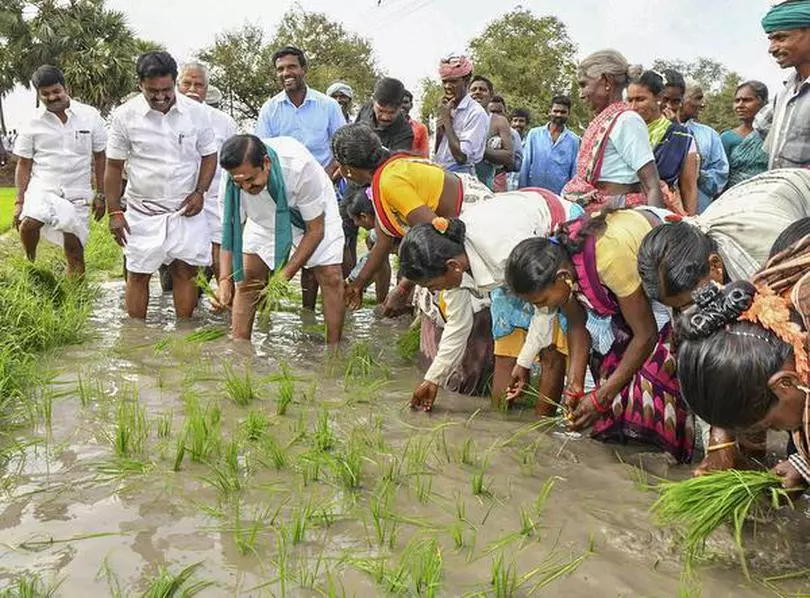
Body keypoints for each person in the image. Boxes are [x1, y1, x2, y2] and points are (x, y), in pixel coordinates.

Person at [505, 208, 694, 462]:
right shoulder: (564, 268)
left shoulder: (609, 257)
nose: (543, 308)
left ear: (561, 278)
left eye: (542, 300)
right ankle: (623, 460)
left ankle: (663, 462)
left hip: (673, 276)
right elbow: (576, 325)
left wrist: (600, 398)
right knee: (609, 377)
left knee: (650, 382)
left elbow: (646, 334)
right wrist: (574, 386)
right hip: (636, 301)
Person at [398, 190, 583, 412]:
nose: (433, 291)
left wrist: (525, 362)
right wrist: (432, 380)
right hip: (509, 248)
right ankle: (501, 421)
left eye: (431, 285)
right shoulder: (455, 265)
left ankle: (543, 432)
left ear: (453, 266)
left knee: (550, 349)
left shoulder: (505, 252)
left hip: (550, 240)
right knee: (505, 342)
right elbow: (458, 327)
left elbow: (544, 309)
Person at [675, 236, 810, 490]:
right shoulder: (747, 304)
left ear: (786, 384)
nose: (777, 431)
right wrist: (802, 464)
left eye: (770, 425)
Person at [332, 123, 492, 312]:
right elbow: (382, 244)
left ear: (347, 169)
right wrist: (357, 284)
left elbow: (432, 238)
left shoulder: (389, 181)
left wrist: (403, 288)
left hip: (468, 224)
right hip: (452, 225)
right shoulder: (385, 174)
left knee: (447, 302)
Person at [104, 51, 217, 320]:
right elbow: (113, 167)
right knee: (138, 273)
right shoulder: (124, 116)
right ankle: (136, 340)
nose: (160, 97)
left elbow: (209, 155)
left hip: (185, 209)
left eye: (166, 89)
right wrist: (113, 212)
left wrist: (200, 192)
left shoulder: (197, 114)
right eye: (152, 91)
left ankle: (183, 334)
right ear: (140, 84)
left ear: (174, 82)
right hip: (142, 211)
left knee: (185, 271)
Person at [215, 134, 345, 344]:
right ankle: (240, 350)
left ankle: (334, 349)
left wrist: (284, 275)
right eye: (240, 182)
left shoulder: (299, 167)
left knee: (330, 276)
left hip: (312, 216)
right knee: (248, 278)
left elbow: (315, 230)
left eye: (250, 180)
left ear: (266, 163)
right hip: (263, 219)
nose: (246, 187)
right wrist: (224, 280)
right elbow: (230, 231)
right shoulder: (231, 181)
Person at [637, 169, 810, 312]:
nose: (687, 313)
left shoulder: (771, 258)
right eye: (678, 309)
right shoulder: (701, 252)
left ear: (715, 265)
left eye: (691, 304)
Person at [255, 46, 346, 313]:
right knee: (288, 252)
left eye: (292, 67)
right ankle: (292, 313)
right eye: (281, 69)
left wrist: (325, 178)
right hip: (285, 194)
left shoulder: (328, 106)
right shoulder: (270, 109)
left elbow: (342, 146)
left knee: (326, 258)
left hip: (326, 190)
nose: (286, 73)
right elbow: (264, 154)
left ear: (304, 69)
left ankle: (319, 312)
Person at [13, 65, 107, 277]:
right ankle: (31, 263)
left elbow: (101, 157)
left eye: (56, 91)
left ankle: (77, 300)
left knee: (75, 251)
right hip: (43, 188)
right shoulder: (32, 122)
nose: (52, 97)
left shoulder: (89, 116)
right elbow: (24, 163)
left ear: (66, 88)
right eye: (45, 94)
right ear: (39, 94)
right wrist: (19, 201)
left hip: (78, 192)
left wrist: (101, 193)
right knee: (28, 223)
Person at [562, 50, 665, 214]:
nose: (581, 95)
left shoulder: (627, 120)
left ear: (606, 81)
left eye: (583, 85)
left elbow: (651, 184)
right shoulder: (605, 119)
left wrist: (654, 229)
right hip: (595, 208)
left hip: (617, 212)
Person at [177, 61, 238, 282]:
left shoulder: (224, 122)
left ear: (206, 88)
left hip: (214, 198)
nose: (192, 90)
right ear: (177, 85)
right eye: (187, 83)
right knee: (182, 262)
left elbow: (234, 163)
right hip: (179, 198)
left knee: (220, 253)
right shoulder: (165, 117)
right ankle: (187, 313)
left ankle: (226, 302)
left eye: (199, 85)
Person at [627, 70, 699, 215]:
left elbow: (689, 187)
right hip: (623, 211)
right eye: (630, 100)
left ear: (658, 98)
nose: (633, 107)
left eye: (640, 99)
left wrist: (693, 223)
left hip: (664, 214)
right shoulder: (622, 130)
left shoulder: (682, 137)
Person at [759, 1, 810, 170]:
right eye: (771, 39)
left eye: (781, 38)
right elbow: (761, 126)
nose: (772, 49)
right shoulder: (785, 91)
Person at [434, 54, 489, 176]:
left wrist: (447, 121)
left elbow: (461, 157)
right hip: (441, 173)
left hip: (462, 178)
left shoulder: (476, 113)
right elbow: (438, 153)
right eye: (445, 81)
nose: (447, 86)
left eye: (453, 81)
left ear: (466, 81)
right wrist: (440, 132)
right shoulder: (447, 108)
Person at [679, 85, 729, 213]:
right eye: (697, 98)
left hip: (700, 210)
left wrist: (698, 174)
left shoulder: (709, 134)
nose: (702, 104)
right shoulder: (656, 130)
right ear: (681, 99)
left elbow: (721, 174)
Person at [519, 95, 580, 195]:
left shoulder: (573, 140)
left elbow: (574, 171)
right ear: (550, 112)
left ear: (569, 114)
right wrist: (522, 191)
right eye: (556, 111)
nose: (559, 115)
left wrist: (570, 195)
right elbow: (526, 164)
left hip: (558, 195)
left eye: (563, 112)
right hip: (533, 192)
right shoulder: (534, 134)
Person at [720, 81, 770, 188]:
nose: (740, 105)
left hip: (768, 196)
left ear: (764, 103)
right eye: (737, 101)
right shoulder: (727, 138)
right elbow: (721, 176)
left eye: (747, 100)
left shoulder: (773, 136)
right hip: (733, 197)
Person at [469, 75, 513, 189]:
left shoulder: (499, 121)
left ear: (491, 95)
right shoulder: (459, 119)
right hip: (461, 183)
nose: (477, 92)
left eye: (482, 89)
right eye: (473, 89)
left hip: (486, 186)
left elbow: (508, 156)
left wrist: (479, 149)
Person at [355, 77, 414, 151]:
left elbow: (396, 161)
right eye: (380, 110)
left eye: (392, 112)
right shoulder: (366, 108)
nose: (385, 117)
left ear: (400, 107)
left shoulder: (405, 133)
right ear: (373, 101)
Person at [487, 95, 523, 192]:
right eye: (492, 112)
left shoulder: (513, 134)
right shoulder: (481, 129)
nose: (495, 115)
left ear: (505, 112)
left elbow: (517, 164)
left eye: (499, 112)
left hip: (501, 183)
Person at [402, 89, 429, 157]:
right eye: (398, 102)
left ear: (411, 105)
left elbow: (424, 155)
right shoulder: (386, 125)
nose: (402, 105)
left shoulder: (421, 128)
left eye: (405, 102)